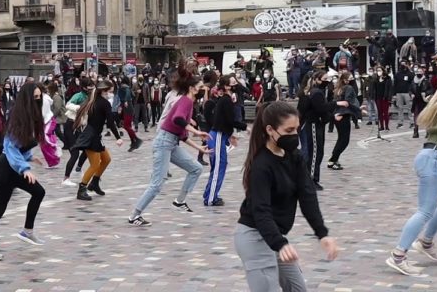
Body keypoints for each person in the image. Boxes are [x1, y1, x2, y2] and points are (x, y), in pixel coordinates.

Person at [235, 102, 339, 290]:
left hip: (276, 236)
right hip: (255, 237)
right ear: (270, 130)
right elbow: (261, 211)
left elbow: (307, 196)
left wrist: (322, 233)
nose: (294, 136)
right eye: (289, 130)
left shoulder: (294, 157)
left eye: (296, 130)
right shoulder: (261, 166)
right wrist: (280, 244)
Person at [385, 73, 437, 276]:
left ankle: (426, 241)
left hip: (430, 157)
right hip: (434, 160)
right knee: (425, 211)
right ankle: (398, 255)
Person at [0, 83, 46, 262]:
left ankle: (27, 231)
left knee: (38, 192)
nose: (38, 101)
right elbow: (10, 147)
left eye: (40, 97)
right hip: (5, 169)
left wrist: (29, 158)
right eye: (35, 98)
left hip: (13, 167)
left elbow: (22, 146)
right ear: (27, 99)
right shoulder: (17, 117)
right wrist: (25, 168)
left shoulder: (31, 118)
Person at [128, 71, 211, 226]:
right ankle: (134, 216)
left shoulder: (189, 103)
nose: (204, 89)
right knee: (157, 184)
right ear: (192, 88)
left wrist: (199, 147)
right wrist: (198, 131)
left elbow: (182, 134)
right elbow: (177, 119)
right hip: (163, 143)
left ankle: (180, 201)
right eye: (201, 87)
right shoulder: (185, 101)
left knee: (196, 168)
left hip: (171, 143)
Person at [72, 80, 124, 201]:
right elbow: (110, 122)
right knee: (95, 165)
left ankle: (94, 183)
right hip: (92, 137)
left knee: (106, 159)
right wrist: (118, 137)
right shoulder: (104, 103)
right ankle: (82, 189)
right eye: (110, 91)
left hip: (95, 136)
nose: (111, 93)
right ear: (104, 91)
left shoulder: (93, 101)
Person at [204, 75, 247, 207]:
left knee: (220, 165)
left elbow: (224, 121)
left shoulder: (226, 100)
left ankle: (210, 195)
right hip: (217, 136)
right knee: (218, 167)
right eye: (233, 82)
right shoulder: (226, 100)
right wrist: (246, 127)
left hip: (220, 135)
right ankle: (211, 198)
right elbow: (229, 121)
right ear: (227, 86)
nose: (236, 84)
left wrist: (229, 135)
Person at [327, 71, 358, 171]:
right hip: (342, 115)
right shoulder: (348, 88)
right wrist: (340, 113)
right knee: (344, 140)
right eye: (350, 77)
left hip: (338, 115)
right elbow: (347, 102)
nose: (352, 79)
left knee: (341, 139)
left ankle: (334, 159)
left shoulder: (339, 88)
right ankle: (333, 160)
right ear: (345, 79)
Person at [118, 76, 142, 151]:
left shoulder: (126, 88)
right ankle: (133, 142)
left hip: (128, 107)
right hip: (126, 107)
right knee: (127, 126)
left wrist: (125, 101)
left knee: (126, 126)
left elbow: (128, 94)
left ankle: (137, 140)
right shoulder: (124, 87)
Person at [411, 68, 433, 139]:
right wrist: (411, 94)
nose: (419, 73)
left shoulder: (426, 81)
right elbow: (410, 89)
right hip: (416, 101)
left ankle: (428, 132)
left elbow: (431, 89)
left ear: (423, 72)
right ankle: (415, 132)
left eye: (420, 71)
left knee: (426, 117)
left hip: (424, 101)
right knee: (416, 117)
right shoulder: (413, 81)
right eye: (418, 71)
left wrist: (426, 93)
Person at [394, 62, 415, 129]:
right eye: (402, 64)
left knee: (409, 108)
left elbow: (413, 83)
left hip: (407, 93)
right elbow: (395, 84)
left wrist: (412, 92)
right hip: (399, 93)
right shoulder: (397, 74)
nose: (403, 66)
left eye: (404, 64)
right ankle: (400, 123)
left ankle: (412, 122)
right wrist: (394, 94)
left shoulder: (410, 74)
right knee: (400, 108)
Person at [374, 66, 394, 131]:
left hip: (385, 98)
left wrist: (389, 98)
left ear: (383, 71)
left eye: (379, 70)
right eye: (377, 71)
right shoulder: (376, 79)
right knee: (380, 112)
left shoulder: (388, 78)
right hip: (378, 98)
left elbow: (390, 89)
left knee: (385, 113)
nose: (378, 72)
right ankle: (381, 126)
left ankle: (387, 126)